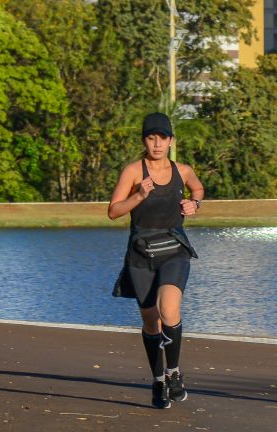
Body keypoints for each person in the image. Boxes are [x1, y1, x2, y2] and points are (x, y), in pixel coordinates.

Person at [109, 112, 204, 409]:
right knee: (151, 323)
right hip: (141, 255)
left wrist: (195, 203)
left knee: (169, 308)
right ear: (144, 141)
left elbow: (198, 189)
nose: (157, 144)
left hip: (174, 248)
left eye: (163, 138)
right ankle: (158, 380)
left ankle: (173, 372)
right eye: (151, 138)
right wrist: (138, 195)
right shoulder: (133, 172)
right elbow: (113, 211)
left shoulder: (183, 170)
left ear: (171, 141)